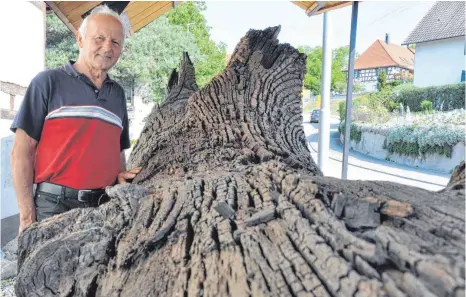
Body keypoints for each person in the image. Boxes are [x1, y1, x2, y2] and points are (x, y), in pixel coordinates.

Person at [10, 5, 141, 235]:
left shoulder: (118, 95)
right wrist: (27, 216)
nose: (107, 47)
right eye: (99, 38)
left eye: (116, 42)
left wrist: (120, 176)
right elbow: (21, 151)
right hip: (54, 206)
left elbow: (118, 152)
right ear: (80, 39)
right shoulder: (47, 83)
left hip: (104, 205)